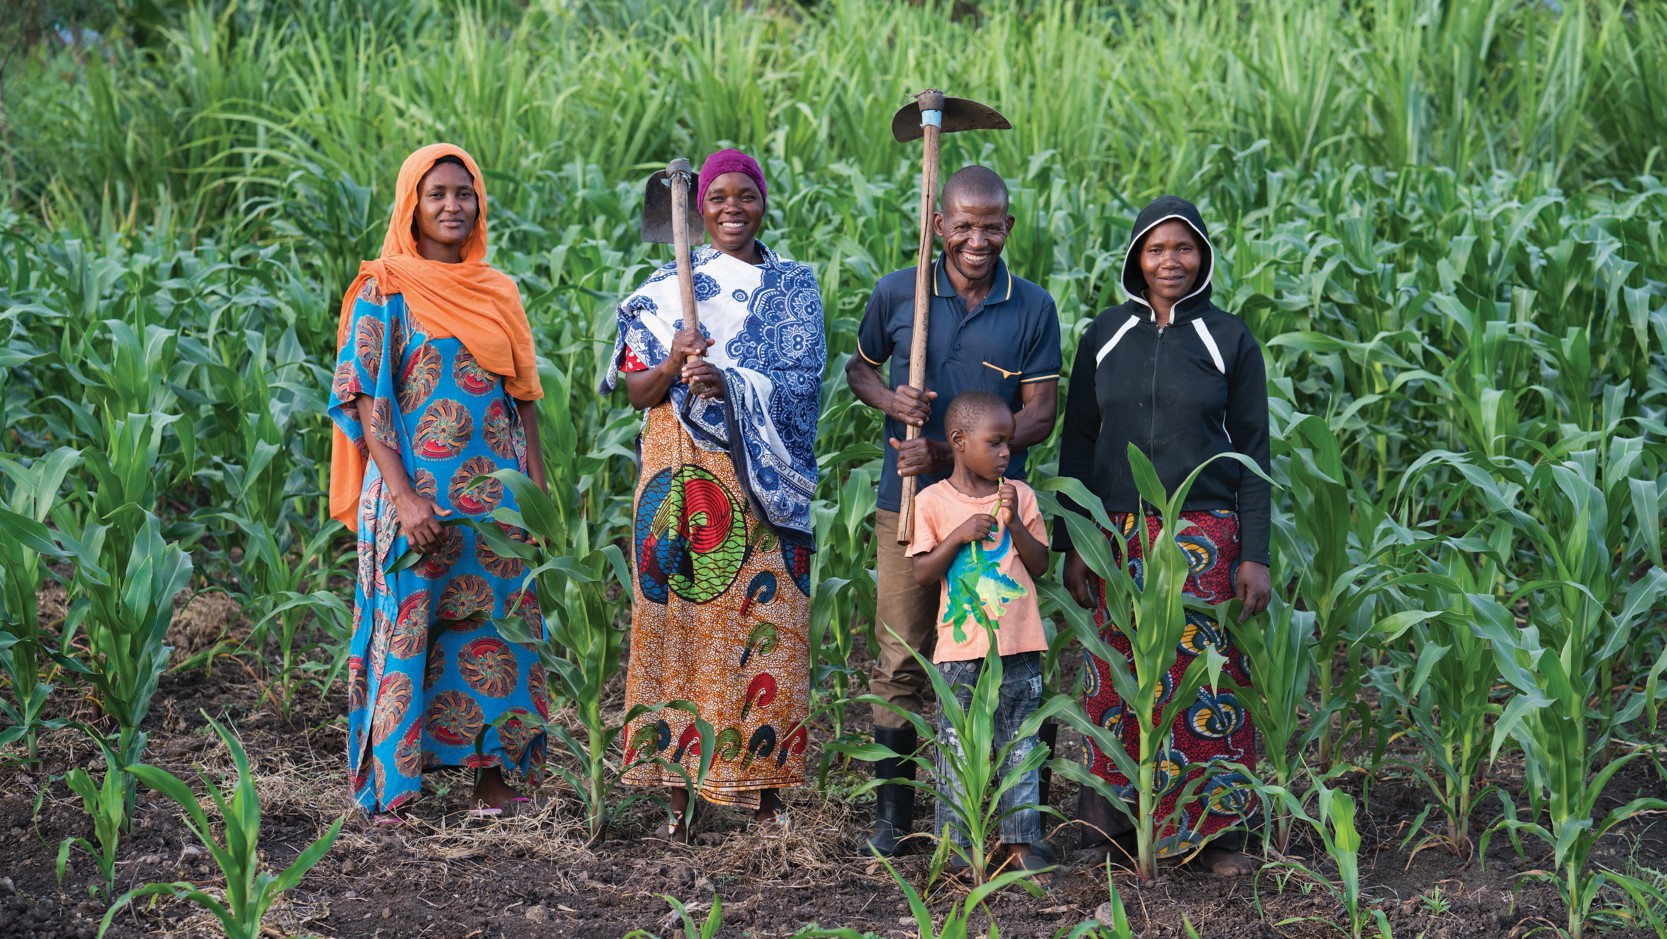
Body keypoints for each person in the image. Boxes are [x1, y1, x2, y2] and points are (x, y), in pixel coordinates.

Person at [602, 149, 824, 839]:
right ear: (699, 209)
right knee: (681, 625)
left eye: (746, 195)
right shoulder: (668, 287)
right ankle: (680, 795)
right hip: (680, 469)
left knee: (768, 627)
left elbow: (802, 384)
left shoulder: (793, 287)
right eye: (719, 196)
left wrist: (730, 383)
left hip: (763, 484)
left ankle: (764, 796)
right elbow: (635, 391)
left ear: (763, 202)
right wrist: (674, 361)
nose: (733, 207)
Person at [327, 143, 549, 820]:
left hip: (496, 503)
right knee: (408, 632)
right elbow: (366, 397)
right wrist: (403, 496)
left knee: (497, 635)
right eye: (437, 194)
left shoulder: (497, 290)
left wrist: (536, 493)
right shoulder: (384, 287)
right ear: (411, 206)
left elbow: (523, 400)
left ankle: (493, 786)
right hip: (417, 498)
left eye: (464, 193)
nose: (452, 206)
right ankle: (395, 789)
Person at [846, 165, 1061, 856]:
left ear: (1009, 226)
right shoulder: (897, 294)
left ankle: (1010, 821)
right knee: (902, 656)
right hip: (908, 509)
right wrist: (889, 401)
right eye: (963, 224)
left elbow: (1040, 415)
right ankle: (893, 818)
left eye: (992, 224)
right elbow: (860, 369)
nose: (978, 238)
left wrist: (947, 455)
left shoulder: (1031, 307)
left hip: (1000, 515)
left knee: (1007, 659)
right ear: (938, 225)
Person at [1056, 194, 1272, 875]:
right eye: (1155, 249)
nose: (1169, 261)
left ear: (1202, 256)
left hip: (1202, 538)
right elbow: (1078, 442)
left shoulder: (1228, 337)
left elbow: (1254, 451)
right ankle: (1118, 826)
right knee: (1115, 675)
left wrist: (1255, 554)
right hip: (1116, 535)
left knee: (1204, 685)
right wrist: (1074, 542)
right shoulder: (1105, 335)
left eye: (1183, 248)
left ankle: (1217, 836)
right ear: (1135, 260)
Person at [907, 391, 1051, 880]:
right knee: (957, 747)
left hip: (1020, 647)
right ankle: (956, 845)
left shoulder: (1022, 496)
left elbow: (1040, 565)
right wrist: (958, 535)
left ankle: (1020, 841)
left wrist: (1013, 524)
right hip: (962, 651)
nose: (1006, 453)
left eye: (1009, 442)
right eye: (996, 443)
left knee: (1020, 745)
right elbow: (923, 574)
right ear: (960, 443)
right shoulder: (932, 502)